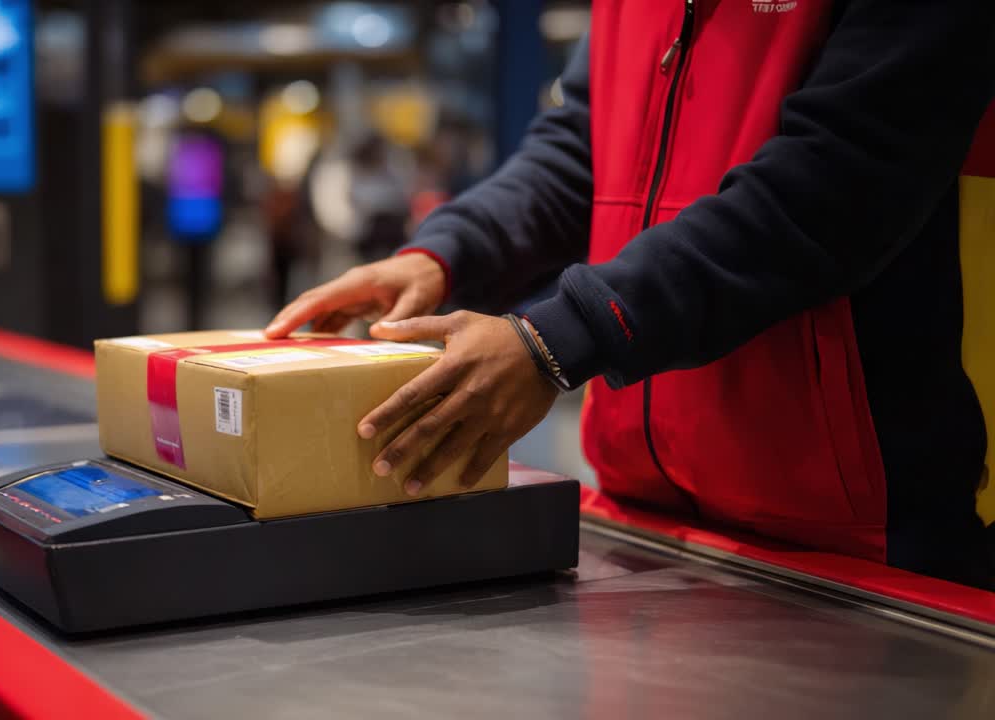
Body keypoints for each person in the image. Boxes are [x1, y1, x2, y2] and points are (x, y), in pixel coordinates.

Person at [267, 0, 995, 589]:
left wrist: (561, 337)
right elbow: (578, 148)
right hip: (642, 515)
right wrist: (444, 254)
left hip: (850, 541)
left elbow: (831, 188)